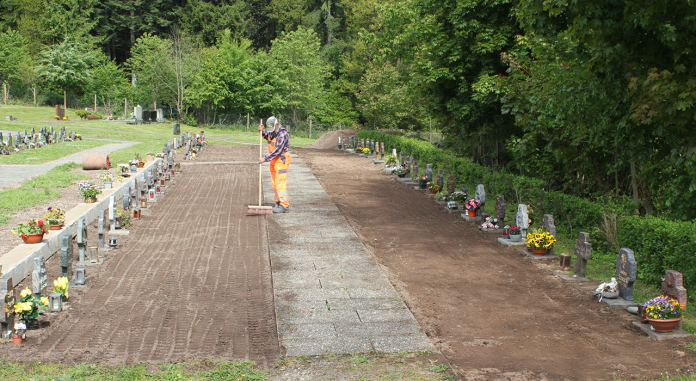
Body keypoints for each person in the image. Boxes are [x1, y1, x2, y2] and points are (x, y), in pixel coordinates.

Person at [258, 116, 291, 213]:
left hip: (281, 160)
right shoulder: (273, 132)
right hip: (274, 160)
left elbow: (278, 150)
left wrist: (265, 158)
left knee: (280, 182)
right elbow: (268, 136)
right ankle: (278, 202)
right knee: (274, 183)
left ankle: (284, 205)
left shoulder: (282, 134)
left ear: (277, 125)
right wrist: (263, 131)